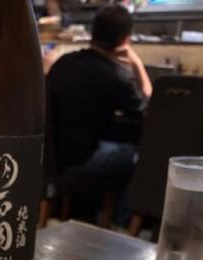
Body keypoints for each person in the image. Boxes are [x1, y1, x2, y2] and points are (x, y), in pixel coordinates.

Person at [48, 5, 153, 224]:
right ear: (125, 40)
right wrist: (137, 64)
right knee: (140, 157)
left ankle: (93, 212)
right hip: (82, 159)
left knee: (115, 147)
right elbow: (148, 109)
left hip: (53, 158)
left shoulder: (63, 63)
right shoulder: (116, 75)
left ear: (93, 32)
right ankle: (121, 222)